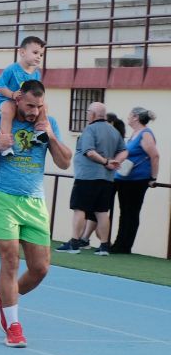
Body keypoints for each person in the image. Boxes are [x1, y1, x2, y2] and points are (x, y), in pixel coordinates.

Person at [0, 80, 72, 347]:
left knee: (40, 268)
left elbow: (64, 162)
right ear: (17, 100)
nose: (34, 111)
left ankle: (3, 299)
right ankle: (13, 326)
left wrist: (51, 136)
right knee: (10, 259)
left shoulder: (47, 123)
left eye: (39, 106)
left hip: (34, 202)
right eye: (29, 105)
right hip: (3, 197)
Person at [55, 102, 125, 255]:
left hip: (87, 177)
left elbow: (89, 152)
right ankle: (104, 246)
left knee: (79, 209)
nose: (87, 115)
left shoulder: (90, 129)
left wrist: (106, 162)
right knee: (102, 211)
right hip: (107, 179)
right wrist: (114, 162)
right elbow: (124, 150)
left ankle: (74, 243)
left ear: (92, 114)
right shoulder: (114, 131)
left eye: (88, 112)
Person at [112, 107, 160, 255]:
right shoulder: (135, 134)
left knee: (131, 212)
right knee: (125, 212)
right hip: (125, 179)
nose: (127, 117)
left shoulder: (145, 134)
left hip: (137, 180)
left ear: (135, 117)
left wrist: (153, 178)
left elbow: (155, 156)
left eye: (130, 115)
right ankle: (119, 243)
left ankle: (125, 246)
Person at [0, 36, 47, 155]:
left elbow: (38, 91)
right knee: (7, 110)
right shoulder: (11, 69)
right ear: (22, 52)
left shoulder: (36, 73)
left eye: (41, 55)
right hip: (9, 100)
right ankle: (5, 144)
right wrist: (12, 94)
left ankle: (39, 133)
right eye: (35, 53)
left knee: (43, 107)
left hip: (27, 104)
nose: (39, 57)